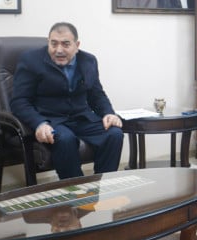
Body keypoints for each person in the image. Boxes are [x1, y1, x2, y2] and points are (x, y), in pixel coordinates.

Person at [10, 22, 124, 179]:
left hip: (82, 118)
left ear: (77, 45)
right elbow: (19, 101)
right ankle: (75, 188)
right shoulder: (31, 60)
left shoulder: (88, 60)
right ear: (48, 42)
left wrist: (108, 113)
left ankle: (103, 183)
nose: (59, 50)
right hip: (51, 120)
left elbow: (96, 94)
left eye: (65, 44)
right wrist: (39, 123)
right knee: (65, 139)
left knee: (114, 134)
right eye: (54, 43)